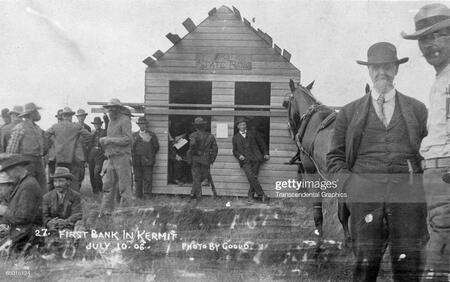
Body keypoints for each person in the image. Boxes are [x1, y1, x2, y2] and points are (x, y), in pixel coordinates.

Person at [326, 42, 428, 281]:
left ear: (396, 69)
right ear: (369, 70)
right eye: (376, 67)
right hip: (364, 199)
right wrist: (349, 187)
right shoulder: (349, 113)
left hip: (406, 199)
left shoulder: (417, 109)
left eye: (387, 66)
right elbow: (335, 157)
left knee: (408, 266)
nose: (382, 72)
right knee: (365, 266)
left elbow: (425, 154)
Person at [402, 3, 450, 280]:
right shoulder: (441, 78)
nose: (430, 44)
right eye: (423, 38)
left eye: (439, 35)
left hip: (445, 174)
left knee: (440, 258)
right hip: (437, 174)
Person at [0, 154, 42, 255]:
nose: (9, 175)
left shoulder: (28, 186)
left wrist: (4, 211)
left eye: (9, 171)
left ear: (17, 169)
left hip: (24, 234)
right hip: (19, 230)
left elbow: (23, 218)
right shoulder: (23, 183)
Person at [99, 98, 133, 215]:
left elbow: (128, 139)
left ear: (118, 109)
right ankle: (105, 212)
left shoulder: (125, 120)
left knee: (124, 187)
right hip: (111, 158)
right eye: (109, 109)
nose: (110, 111)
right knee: (107, 186)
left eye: (113, 108)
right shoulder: (111, 121)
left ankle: (126, 213)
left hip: (122, 157)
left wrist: (109, 140)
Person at [46, 107, 91, 191]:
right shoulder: (76, 126)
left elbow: (45, 135)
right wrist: (78, 142)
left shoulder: (55, 127)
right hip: (73, 158)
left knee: (59, 179)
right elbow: (89, 136)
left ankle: (59, 199)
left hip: (59, 158)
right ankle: (73, 201)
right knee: (73, 181)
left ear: (62, 116)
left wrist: (55, 142)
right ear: (71, 116)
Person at [6, 103, 47, 194]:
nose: (38, 114)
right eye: (36, 111)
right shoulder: (20, 127)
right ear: (32, 114)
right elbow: (11, 151)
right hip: (26, 164)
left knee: (42, 189)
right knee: (27, 190)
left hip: (39, 162)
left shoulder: (38, 129)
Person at [232, 117, 270, 203]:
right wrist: (239, 155)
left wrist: (266, 153)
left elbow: (262, 143)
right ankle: (262, 195)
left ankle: (250, 196)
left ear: (246, 125)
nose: (243, 126)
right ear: (238, 126)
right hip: (245, 161)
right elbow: (234, 151)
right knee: (251, 176)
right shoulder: (235, 138)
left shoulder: (253, 133)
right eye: (241, 125)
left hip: (256, 159)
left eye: (244, 124)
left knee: (253, 177)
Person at [187, 117, 218, 200]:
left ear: (195, 127)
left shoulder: (193, 135)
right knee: (202, 177)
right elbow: (215, 149)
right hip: (206, 160)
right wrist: (212, 159)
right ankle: (192, 194)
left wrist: (194, 153)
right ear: (204, 126)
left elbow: (192, 146)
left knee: (196, 178)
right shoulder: (210, 136)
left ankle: (198, 196)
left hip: (196, 159)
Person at [132, 117, 159, 199]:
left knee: (148, 178)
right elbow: (132, 148)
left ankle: (147, 195)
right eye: (140, 124)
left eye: (143, 124)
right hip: (137, 161)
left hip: (148, 161)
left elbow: (156, 147)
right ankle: (138, 196)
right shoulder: (134, 135)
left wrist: (149, 155)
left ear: (146, 125)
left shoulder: (151, 135)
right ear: (138, 125)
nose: (142, 126)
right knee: (138, 179)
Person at [87, 117, 107, 195]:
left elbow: (108, 124)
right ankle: (95, 191)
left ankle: (100, 188)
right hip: (92, 154)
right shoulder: (92, 133)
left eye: (98, 124)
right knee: (91, 173)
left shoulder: (104, 132)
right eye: (95, 124)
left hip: (100, 154)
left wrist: (105, 117)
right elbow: (89, 145)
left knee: (96, 173)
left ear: (101, 124)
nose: (96, 125)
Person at [169, 120, 191, 185]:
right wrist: (175, 155)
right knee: (177, 162)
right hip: (174, 153)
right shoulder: (172, 134)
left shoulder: (185, 137)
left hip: (182, 153)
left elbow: (176, 145)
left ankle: (182, 178)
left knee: (184, 161)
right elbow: (172, 146)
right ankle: (177, 179)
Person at [47, 109, 63, 191]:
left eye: (61, 118)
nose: (60, 120)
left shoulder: (66, 130)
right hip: (52, 157)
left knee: (61, 177)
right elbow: (46, 137)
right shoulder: (53, 128)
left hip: (63, 158)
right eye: (59, 118)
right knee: (51, 178)